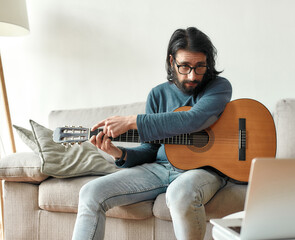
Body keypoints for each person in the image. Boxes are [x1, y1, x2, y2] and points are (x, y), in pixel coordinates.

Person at [72, 27, 232, 240]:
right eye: (185, 66)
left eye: (200, 67)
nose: (193, 75)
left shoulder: (219, 87)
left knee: (179, 193)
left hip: (203, 170)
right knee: (89, 192)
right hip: (159, 169)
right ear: (171, 61)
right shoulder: (158, 94)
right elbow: (150, 148)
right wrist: (119, 154)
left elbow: (194, 119)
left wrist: (133, 121)